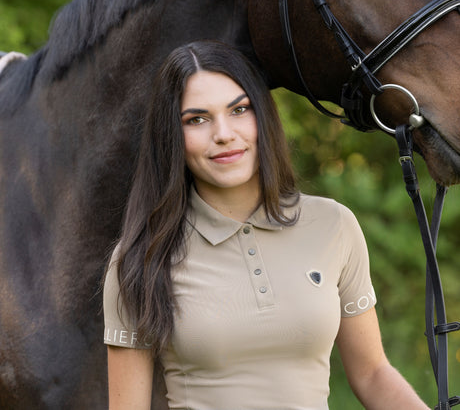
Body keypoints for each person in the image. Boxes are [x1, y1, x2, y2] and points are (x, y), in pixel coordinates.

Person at [103, 40, 429, 409]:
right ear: (172, 136)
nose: (223, 134)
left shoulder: (333, 225)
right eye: (197, 119)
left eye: (239, 110)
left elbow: (373, 374)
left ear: (263, 114)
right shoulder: (141, 259)